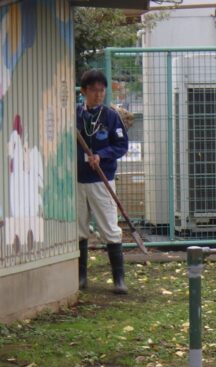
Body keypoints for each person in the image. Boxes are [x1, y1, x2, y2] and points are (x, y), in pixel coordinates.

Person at [76, 69, 129, 294]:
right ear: (84, 91)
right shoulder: (75, 115)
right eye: (94, 91)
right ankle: (80, 277)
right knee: (78, 228)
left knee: (109, 227)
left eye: (102, 90)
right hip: (76, 180)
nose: (98, 95)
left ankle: (119, 279)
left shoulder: (110, 116)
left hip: (101, 179)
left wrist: (101, 155)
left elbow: (121, 146)